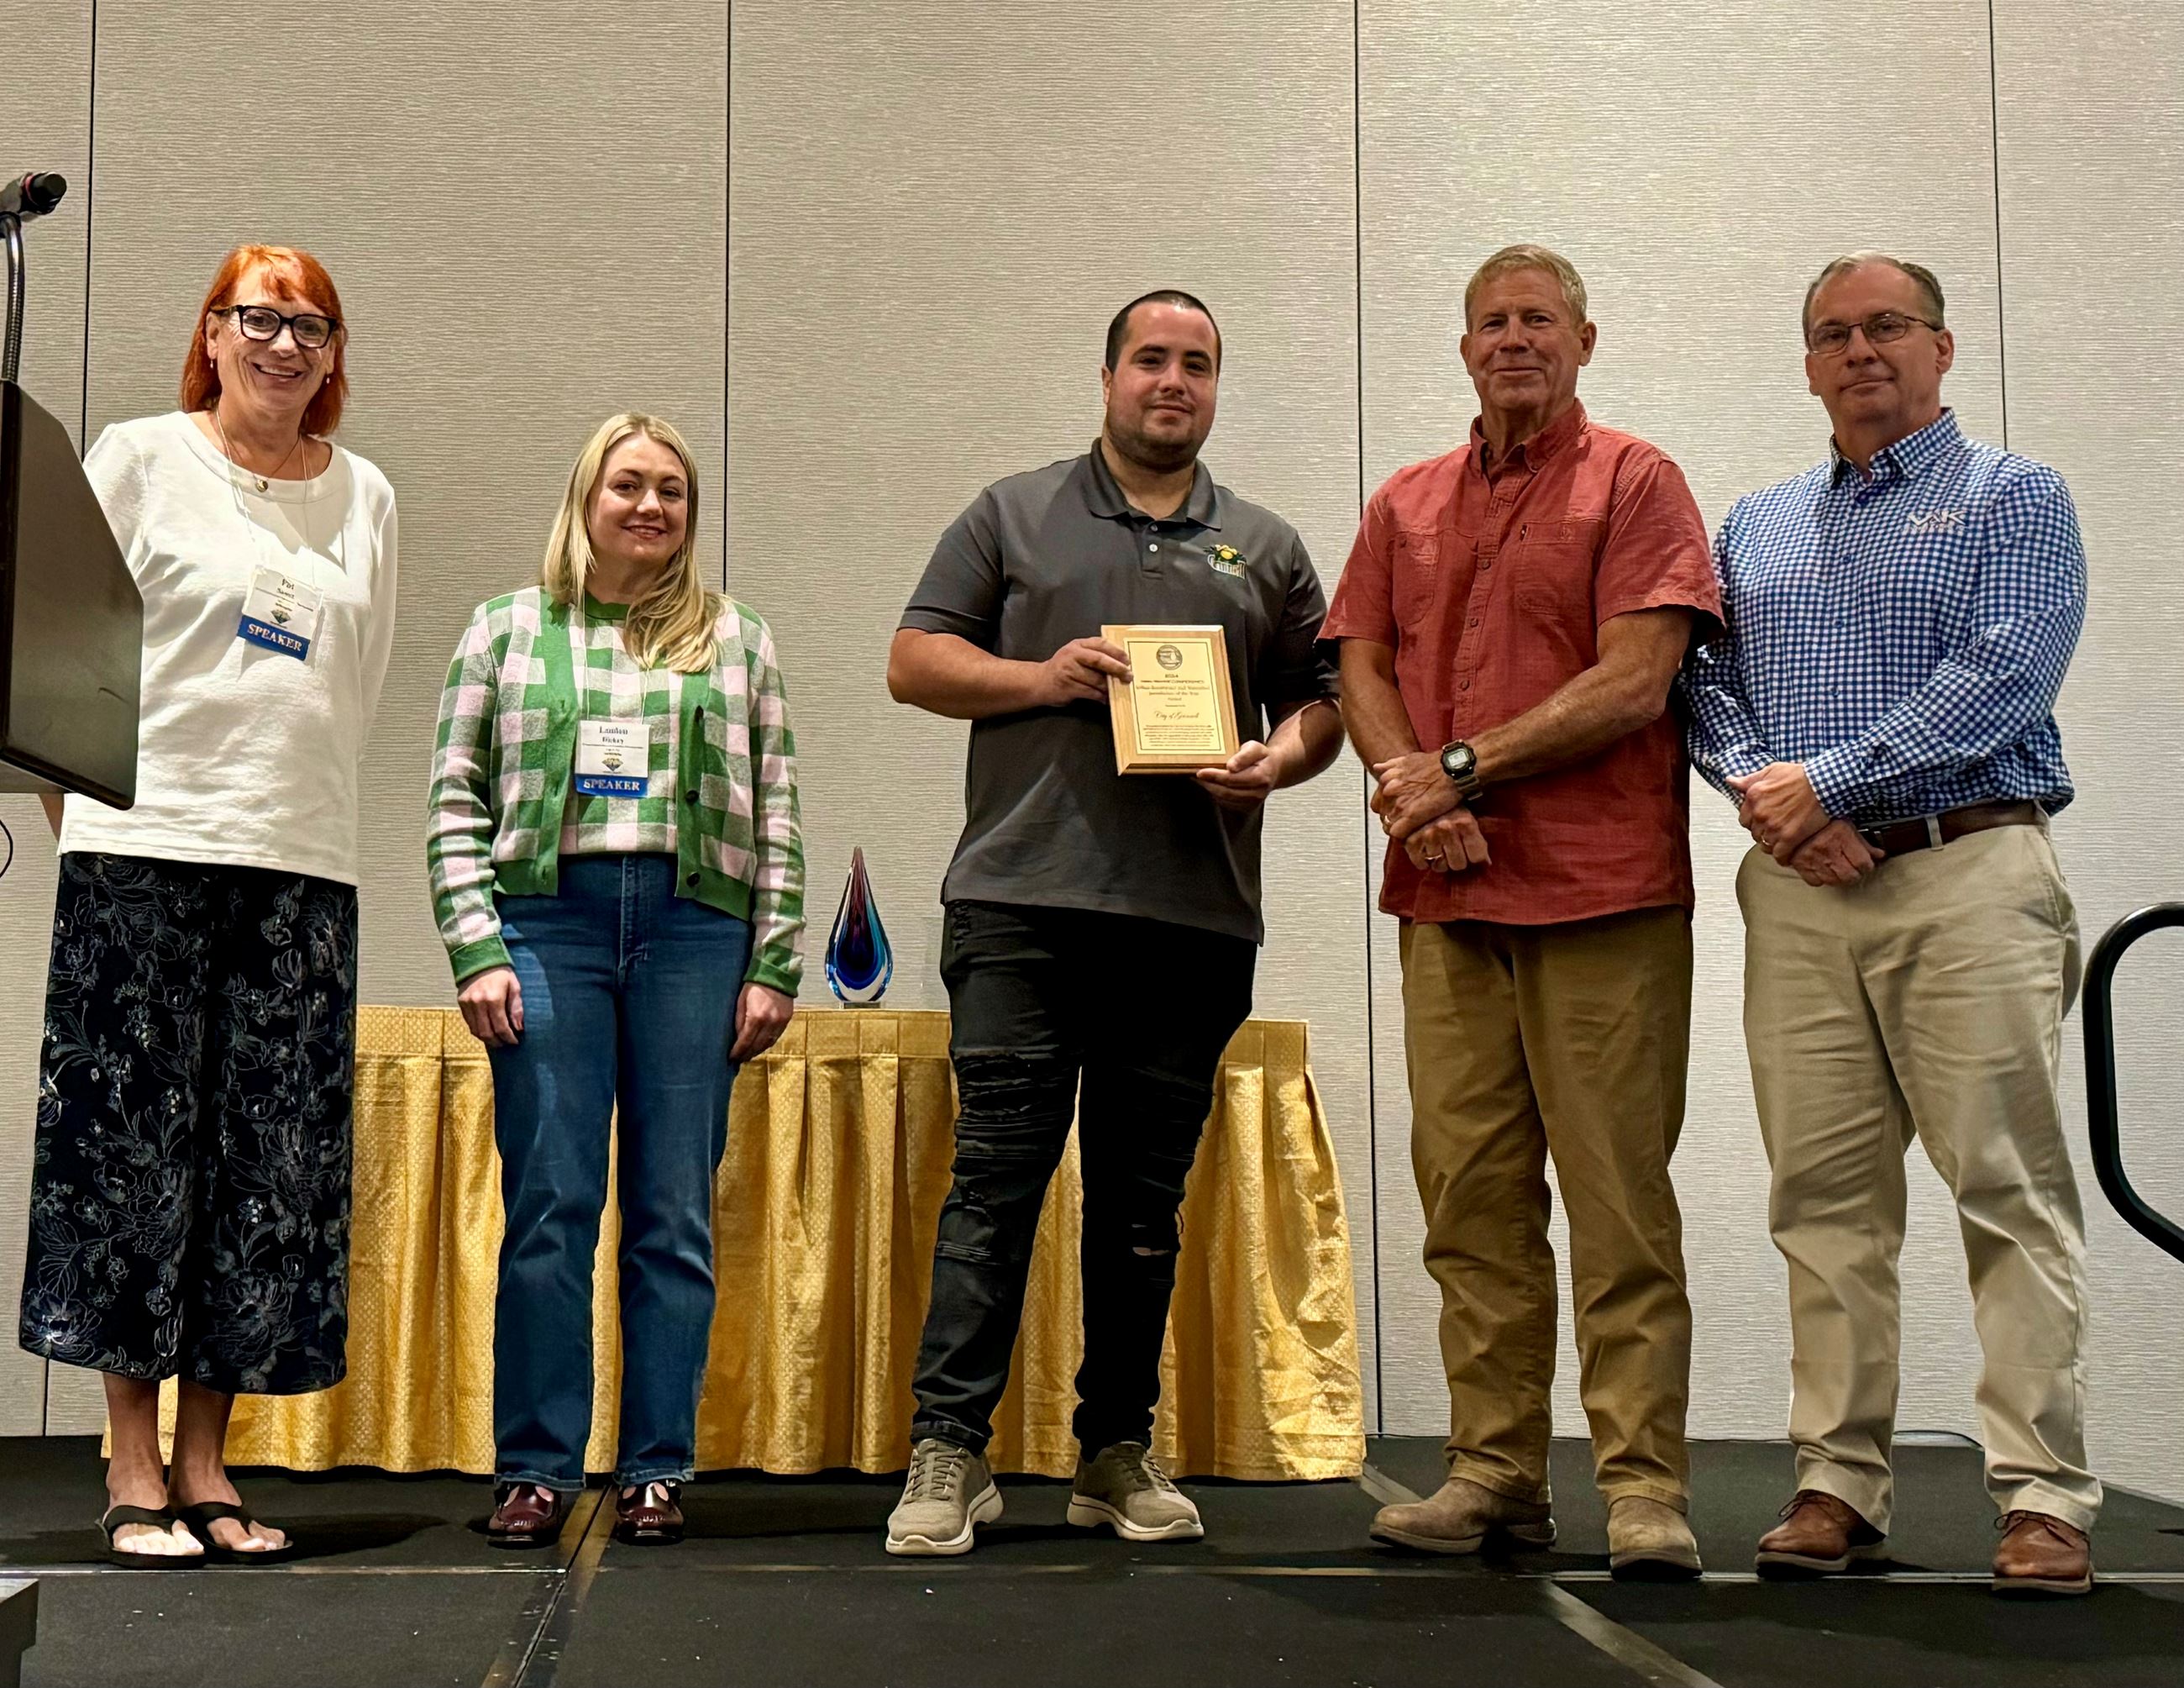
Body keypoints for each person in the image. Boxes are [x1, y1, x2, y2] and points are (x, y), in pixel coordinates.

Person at [881, 290, 1343, 1555]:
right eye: (1151, 359)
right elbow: (914, 657)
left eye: (1197, 364)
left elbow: (1329, 704)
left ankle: (1114, 1451)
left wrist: (1275, 760)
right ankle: (949, 1452)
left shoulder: (1267, 544)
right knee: (995, 1187)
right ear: (1106, 377)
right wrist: (1043, 677)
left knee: (1144, 1208)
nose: (1173, 382)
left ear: (1214, 388)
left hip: (1190, 923)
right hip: (1021, 907)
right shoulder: (1012, 512)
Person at [1683, 252, 2099, 1596]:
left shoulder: (2014, 498)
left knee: (2006, 1186)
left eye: (1887, 329)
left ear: (1944, 347)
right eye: (1833, 334)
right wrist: (1777, 801)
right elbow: (1703, 682)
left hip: (1967, 870)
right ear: (1807, 364)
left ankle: (2042, 1493)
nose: (1861, 351)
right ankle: (1835, 1482)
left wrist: (1831, 781)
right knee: (1823, 1201)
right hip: (1801, 894)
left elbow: (2005, 673)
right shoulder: (1758, 520)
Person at [1320, 245, 1720, 1580]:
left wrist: (1461, 766)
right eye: (1492, 322)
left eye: (1539, 320)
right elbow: (1360, 658)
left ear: (1586, 340)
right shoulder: (1407, 500)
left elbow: (1638, 678)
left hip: (1603, 896)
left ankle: (1643, 1487)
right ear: (1464, 346)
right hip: (1445, 894)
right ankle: (1495, 1471)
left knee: (1617, 1202)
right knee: (1471, 1199)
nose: (1515, 341)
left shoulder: (1639, 482)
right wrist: (1411, 788)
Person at [18, 244, 396, 1564]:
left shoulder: (367, 496)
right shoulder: (135, 456)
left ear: (336, 353)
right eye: (259, 318)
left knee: (262, 1169)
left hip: (300, 868)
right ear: (212, 333)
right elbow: (60, 643)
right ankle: (129, 1465)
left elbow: (358, 683)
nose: (283, 344)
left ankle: (209, 1460)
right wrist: (96, 825)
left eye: (310, 325)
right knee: (132, 1161)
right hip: (144, 856)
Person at [425, 413, 803, 1549]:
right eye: (627, 485)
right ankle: (535, 1466)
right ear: (585, 498)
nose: (650, 506)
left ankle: (654, 1467)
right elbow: (453, 802)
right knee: (550, 1206)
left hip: (696, 930)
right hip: (549, 927)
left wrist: (776, 958)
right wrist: (476, 945)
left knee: (673, 1214)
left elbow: (778, 808)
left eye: (673, 491)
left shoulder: (738, 640)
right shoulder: (504, 631)